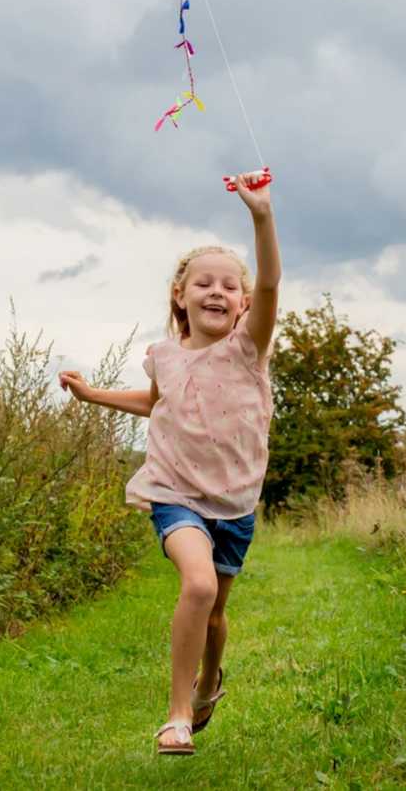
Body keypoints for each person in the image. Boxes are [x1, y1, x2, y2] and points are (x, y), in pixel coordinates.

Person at [59, 171, 280, 755]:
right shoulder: (165, 356)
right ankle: (178, 715)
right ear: (179, 297)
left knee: (213, 616)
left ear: (244, 304)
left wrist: (261, 216)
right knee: (199, 584)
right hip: (175, 491)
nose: (217, 292)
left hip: (235, 502)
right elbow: (156, 404)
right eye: (203, 283)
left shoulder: (248, 350)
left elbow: (273, 284)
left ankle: (210, 681)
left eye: (230, 286)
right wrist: (94, 395)